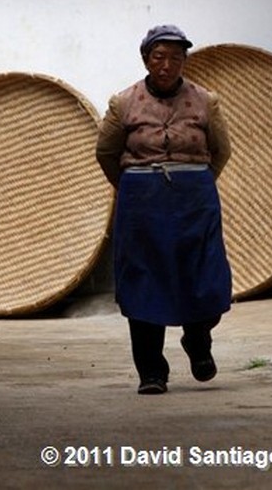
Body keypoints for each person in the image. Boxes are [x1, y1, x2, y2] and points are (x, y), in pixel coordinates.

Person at [95, 24, 233, 395]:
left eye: (175, 58)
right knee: (144, 281)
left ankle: (198, 339)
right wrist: (134, 186)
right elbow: (106, 152)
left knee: (203, 276)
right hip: (141, 206)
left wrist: (196, 183)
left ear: (184, 61)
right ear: (146, 60)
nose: (167, 65)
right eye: (159, 57)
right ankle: (152, 372)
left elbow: (221, 151)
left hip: (194, 202)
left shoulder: (206, 101)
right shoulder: (123, 103)